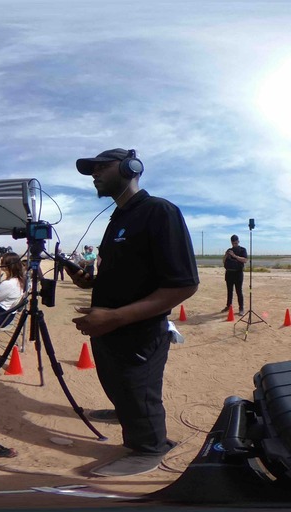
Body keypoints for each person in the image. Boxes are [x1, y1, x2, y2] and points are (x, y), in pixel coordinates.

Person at [69, 147, 198, 477]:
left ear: (130, 168)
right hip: (111, 330)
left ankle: (150, 447)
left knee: (139, 390)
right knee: (119, 386)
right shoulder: (117, 219)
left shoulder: (159, 211)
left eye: (101, 167)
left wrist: (113, 317)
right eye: (91, 170)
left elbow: (183, 285)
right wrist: (90, 283)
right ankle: (126, 414)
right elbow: (131, 272)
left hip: (139, 330)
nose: (94, 174)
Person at [222, 234, 248, 315]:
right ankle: (228, 306)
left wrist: (234, 256)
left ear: (238, 241)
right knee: (229, 291)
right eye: (233, 243)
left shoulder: (242, 250)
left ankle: (241, 308)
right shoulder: (229, 250)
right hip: (229, 274)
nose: (234, 245)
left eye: (236, 243)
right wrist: (226, 255)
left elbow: (245, 260)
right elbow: (223, 261)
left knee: (239, 291)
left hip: (238, 274)